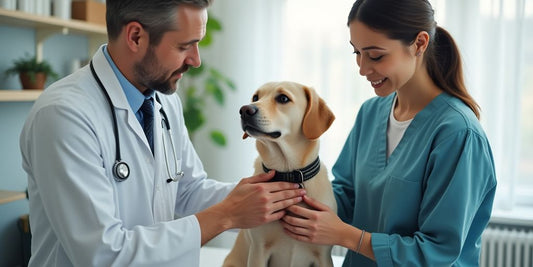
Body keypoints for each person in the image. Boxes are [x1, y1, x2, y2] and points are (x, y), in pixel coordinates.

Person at [19, 0, 306, 266]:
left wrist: (262, 196)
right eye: (185, 46)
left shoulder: (164, 100)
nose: (196, 60)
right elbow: (103, 254)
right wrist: (227, 215)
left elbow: (188, 190)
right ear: (135, 37)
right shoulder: (63, 115)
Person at [280, 0, 497, 266]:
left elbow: (438, 252)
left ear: (419, 44)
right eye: (356, 53)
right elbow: (346, 197)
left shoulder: (458, 134)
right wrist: (292, 192)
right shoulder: (371, 113)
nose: (362, 68)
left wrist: (347, 236)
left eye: (376, 55)